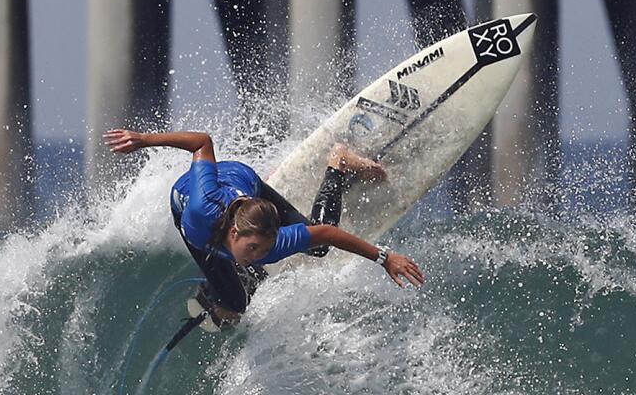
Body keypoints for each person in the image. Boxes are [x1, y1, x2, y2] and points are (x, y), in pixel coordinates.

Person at [104, 129, 425, 326]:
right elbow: (201, 143)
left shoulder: (272, 244)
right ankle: (224, 284)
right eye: (254, 248)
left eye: (266, 248)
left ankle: (338, 163)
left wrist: (385, 258)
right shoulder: (202, 211)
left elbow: (328, 234)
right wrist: (143, 140)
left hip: (247, 188)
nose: (262, 253)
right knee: (236, 304)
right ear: (234, 235)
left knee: (318, 248)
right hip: (197, 195)